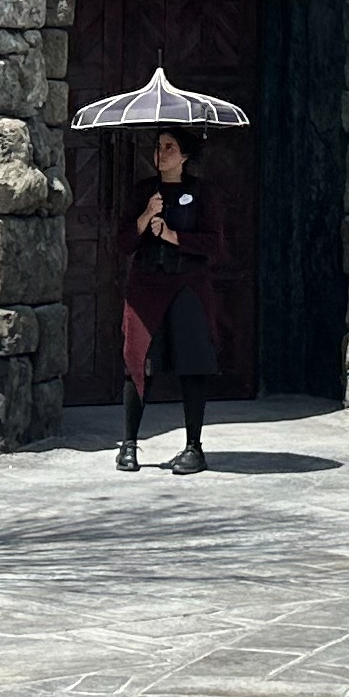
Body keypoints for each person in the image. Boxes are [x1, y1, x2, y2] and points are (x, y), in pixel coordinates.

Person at [115, 127, 224, 477]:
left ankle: (194, 447)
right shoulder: (144, 191)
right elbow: (122, 243)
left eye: (169, 147)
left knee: (193, 362)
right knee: (138, 360)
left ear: (185, 155)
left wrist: (174, 236)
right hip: (146, 286)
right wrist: (146, 216)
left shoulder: (202, 192)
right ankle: (129, 444)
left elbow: (214, 244)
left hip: (187, 286)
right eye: (158, 147)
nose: (161, 154)